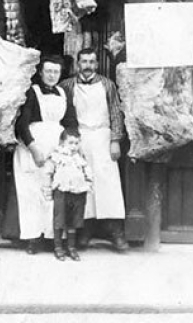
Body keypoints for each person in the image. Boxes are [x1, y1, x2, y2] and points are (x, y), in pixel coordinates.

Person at [59, 47, 128, 252]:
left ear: (96, 64)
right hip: (79, 139)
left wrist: (115, 140)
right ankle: (85, 232)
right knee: (83, 185)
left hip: (103, 138)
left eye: (91, 62)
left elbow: (116, 114)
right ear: (77, 64)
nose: (87, 66)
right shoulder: (67, 86)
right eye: (84, 62)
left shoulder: (108, 85)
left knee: (109, 186)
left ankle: (116, 234)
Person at [13, 55, 77, 254]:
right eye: (48, 71)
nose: (52, 75)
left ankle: (53, 237)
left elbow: (70, 122)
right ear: (40, 73)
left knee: (53, 192)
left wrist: (69, 148)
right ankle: (33, 238)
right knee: (31, 192)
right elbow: (22, 124)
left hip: (57, 147)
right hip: (33, 146)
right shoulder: (32, 92)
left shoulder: (64, 92)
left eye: (56, 71)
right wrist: (34, 149)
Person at [43, 128, 93, 261]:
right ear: (62, 143)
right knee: (60, 219)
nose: (74, 146)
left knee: (73, 220)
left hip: (77, 192)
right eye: (70, 143)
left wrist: (87, 184)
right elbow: (48, 173)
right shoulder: (56, 156)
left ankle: (71, 247)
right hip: (61, 192)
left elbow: (87, 172)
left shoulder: (80, 157)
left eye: (77, 143)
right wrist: (48, 190)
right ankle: (58, 247)